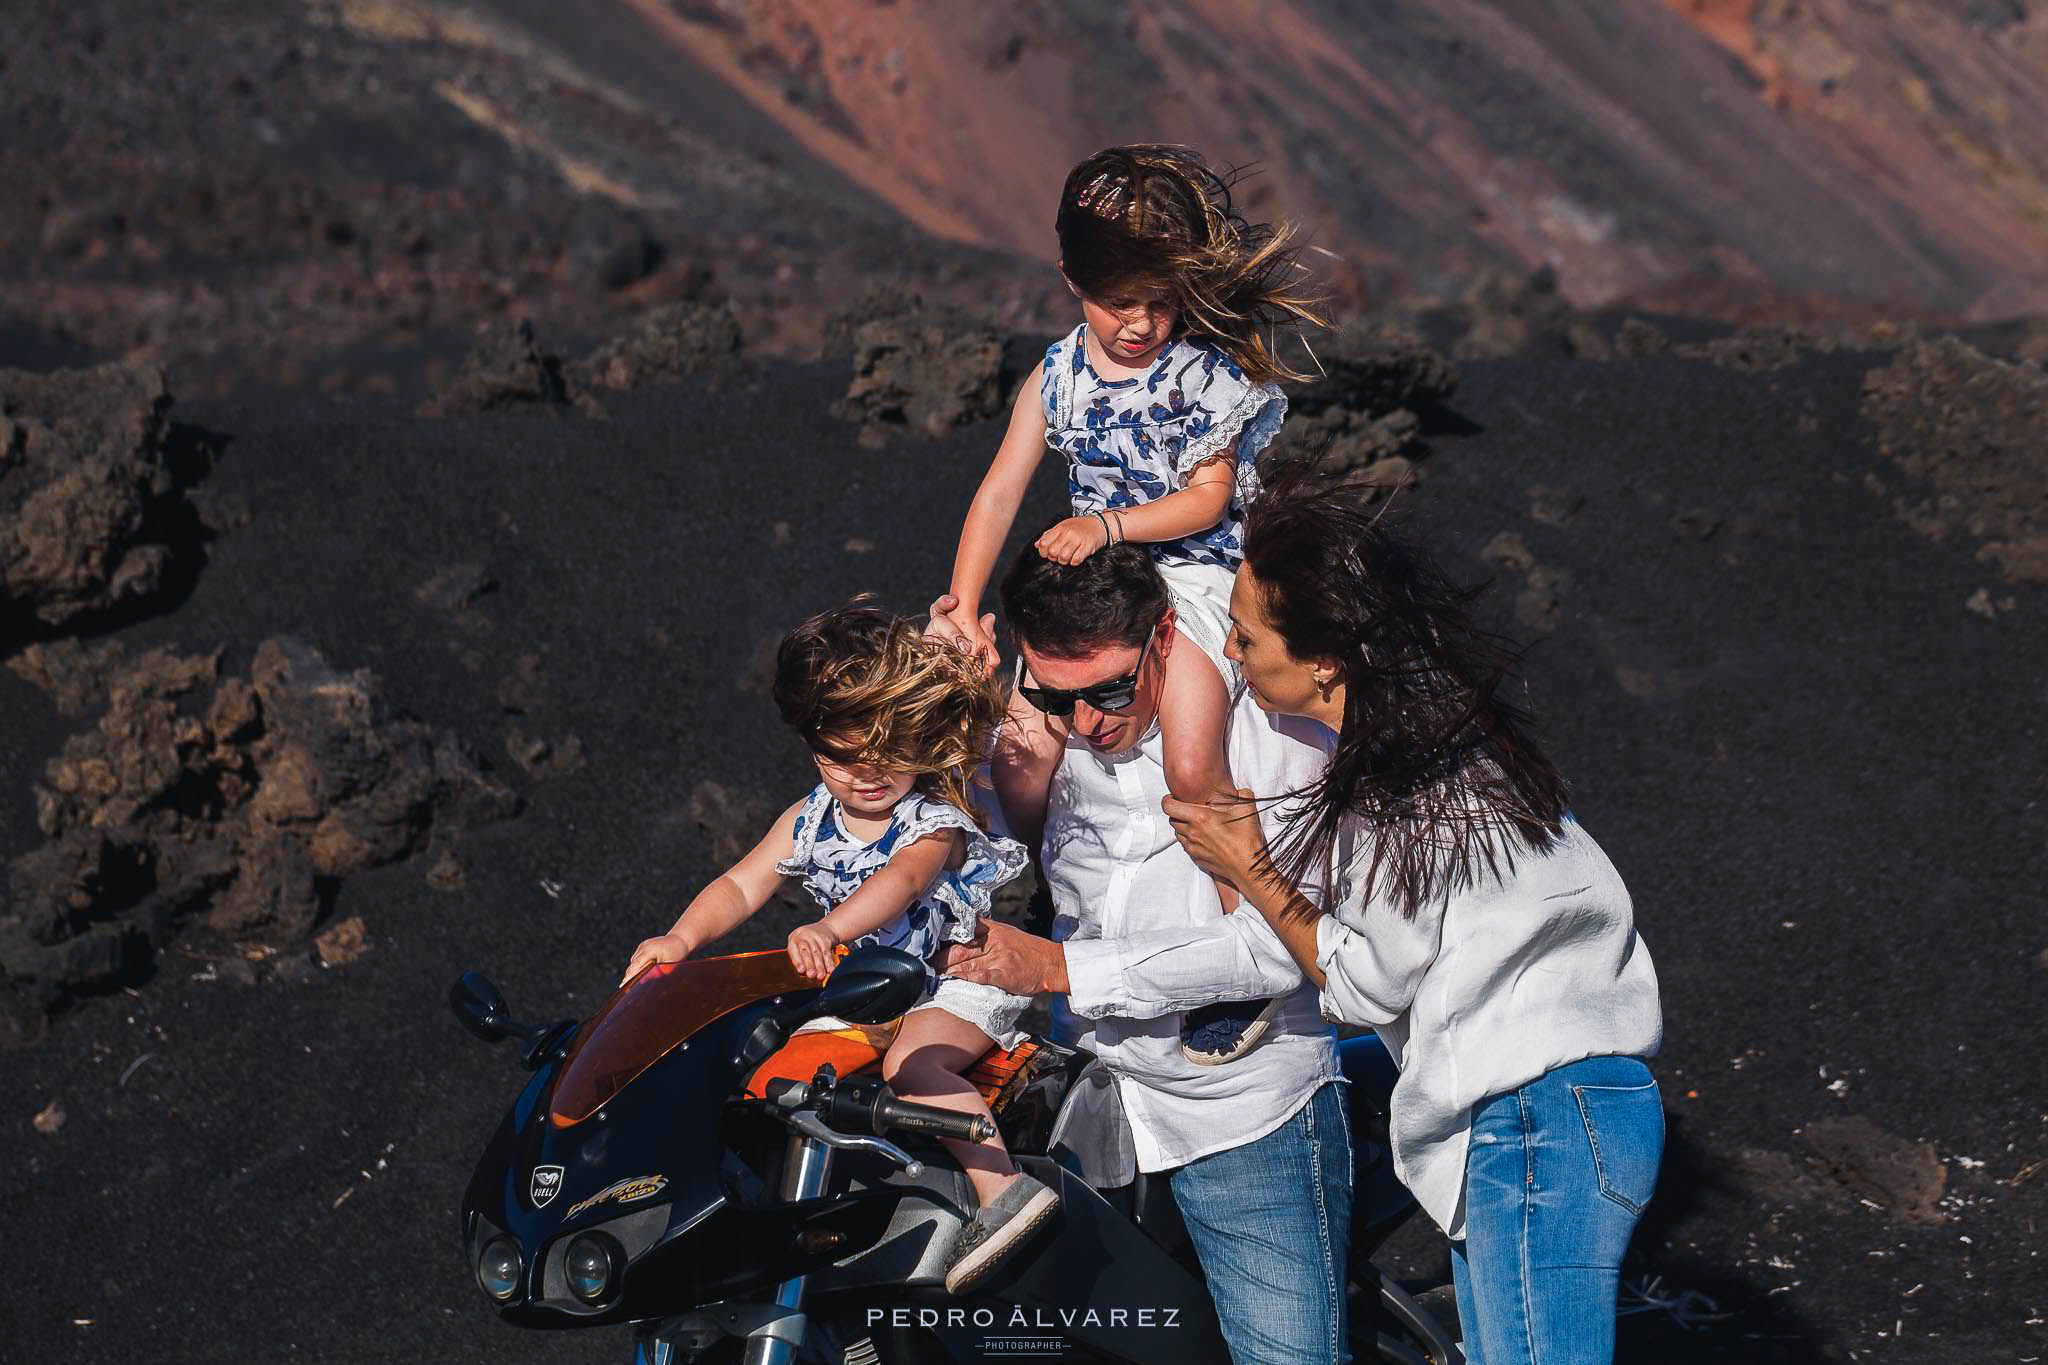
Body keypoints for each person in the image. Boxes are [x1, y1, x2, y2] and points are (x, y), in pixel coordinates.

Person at [1161, 469, 1665, 1365]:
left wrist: (1251, 867)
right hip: (1588, 1102)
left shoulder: (1396, 799)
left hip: (1531, 1120)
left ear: (1323, 659)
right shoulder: (1464, 746)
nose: (1233, 653)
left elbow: (1366, 981)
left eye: (1244, 636)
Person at [937, 144, 1330, 1062]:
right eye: (1122, 303)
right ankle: (1035, 902)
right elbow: (998, 492)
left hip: (1193, 575)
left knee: (1193, 767)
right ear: (1072, 278)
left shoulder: (1200, 375)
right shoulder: (1056, 376)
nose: (1143, 325)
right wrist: (961, 604)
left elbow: (1205, 499)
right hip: (1103, 581)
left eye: (1161, 303)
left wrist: (1110, 526)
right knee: (1020, 748)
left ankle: (1242, 955)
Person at [934, 543, 1353, 1365]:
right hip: (1088, 1095)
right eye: (1059, 694)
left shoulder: (1266, 729)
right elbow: (969, 831)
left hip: (1240, 1115)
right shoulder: (1050, 717)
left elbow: (1276, 950)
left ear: (1164, 636)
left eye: (1111, 689)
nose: (1087, 721)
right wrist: (958, 717)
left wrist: (1058, 969)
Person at [619, 603, 1056, 1295]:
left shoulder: (931, 821)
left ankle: (1002, 1187)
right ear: (812, 745)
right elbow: (739, 884)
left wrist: (830, 929)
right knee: (778, 1071)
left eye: (889, 753)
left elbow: (900, 880)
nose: (868, 774)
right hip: (870, 988)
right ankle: (810, 1220)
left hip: (956, 978)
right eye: (844, 756)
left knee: (915, 1065)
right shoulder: (807, 820)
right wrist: (679, 938)